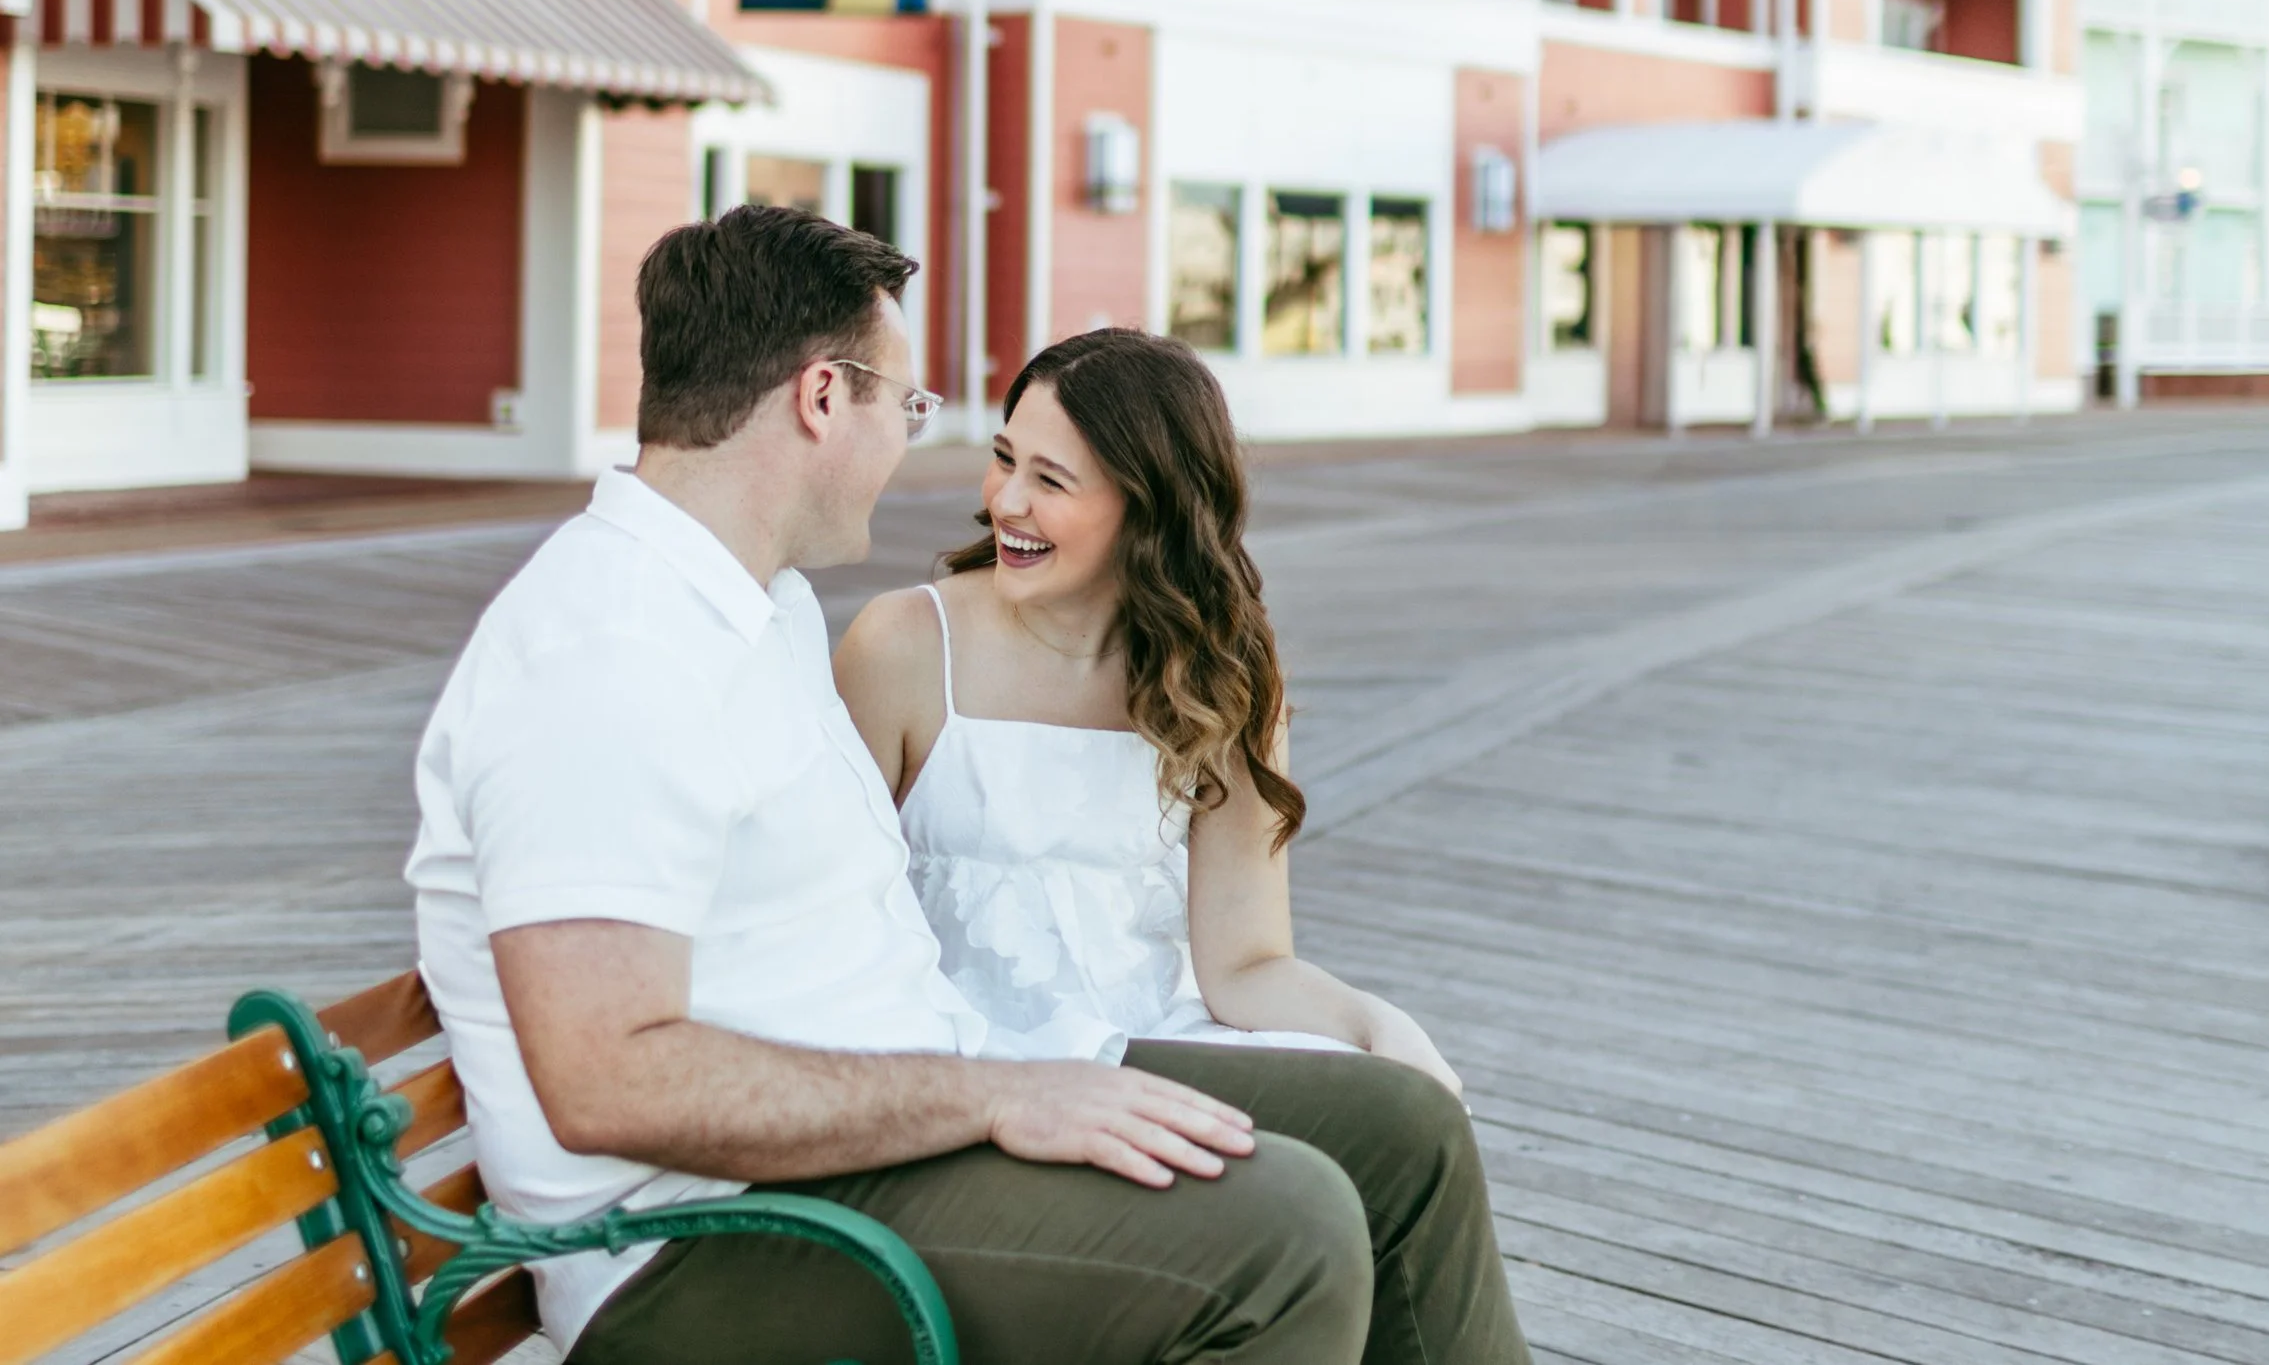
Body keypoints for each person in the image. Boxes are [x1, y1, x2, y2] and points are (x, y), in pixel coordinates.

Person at [403, 205, 1528, 1365]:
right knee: (1285, 1232)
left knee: (1400, 1134)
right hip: (706, 1241)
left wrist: (1006, 1081)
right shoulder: (604, 653)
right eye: (907, 404)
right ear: (822, 397)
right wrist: (991, 1097)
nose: (923, 451)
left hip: (879, 1138)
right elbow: (607, 1079)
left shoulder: (757, 610)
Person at [837, 330, 1466, 1094]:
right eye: (1004, 458)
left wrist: (1376, 1025)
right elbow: (828, 920)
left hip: (1155, 1056)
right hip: (966, 1069)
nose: (1006, 500)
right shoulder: (901, 645)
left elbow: (1244, 966)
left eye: (1051, 480)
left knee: (1408, 1110)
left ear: (1147, 506)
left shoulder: (1223, 677)